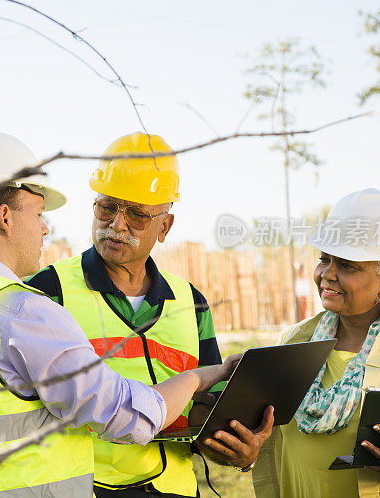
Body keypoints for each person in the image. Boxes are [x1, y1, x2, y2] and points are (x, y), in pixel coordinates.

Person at [0, 132, 237, 498]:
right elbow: (126, 416)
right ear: (5, 217)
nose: (45, 227)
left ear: (165, 226)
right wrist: (196, 379)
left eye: (138, 215)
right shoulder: (27, 306)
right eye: (38, 214)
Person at [27, 132, 272, 498]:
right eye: (107, 207)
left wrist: (240, 447)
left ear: (165, 227)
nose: (118, 224)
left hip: (174, 489)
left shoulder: (191, 302)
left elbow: (211, 407)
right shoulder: (47, 292)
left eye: (138, 215)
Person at [252, 188, 380, 498]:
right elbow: (269, 444)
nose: (327, 275)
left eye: (348, 265)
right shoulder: (293, 342)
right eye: (325, 259)